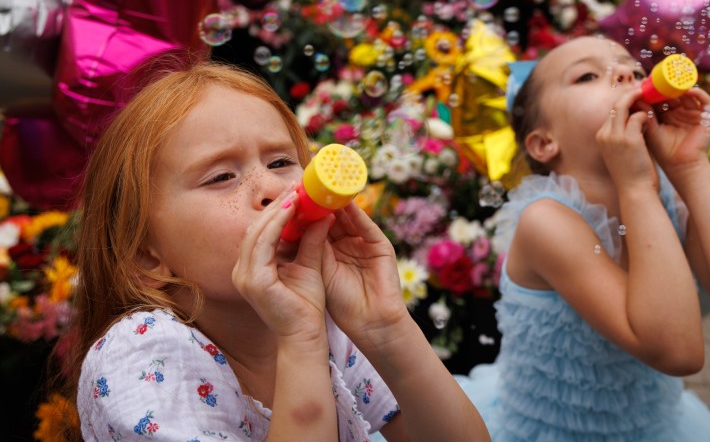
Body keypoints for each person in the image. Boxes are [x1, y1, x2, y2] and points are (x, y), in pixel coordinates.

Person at [63, 61, 490, 441]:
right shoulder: (142, 354)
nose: (272, 189)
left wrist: (385, 327)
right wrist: (301, 341)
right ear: (145, 256)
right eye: (222, 176)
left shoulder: (327, 320)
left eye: (281, 163)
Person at [459, 35, 710, 441]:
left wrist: (690, 166)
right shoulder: (547, 222)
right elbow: (679, 352)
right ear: (545, 143)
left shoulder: (665, 196)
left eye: (634, 70)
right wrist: (636, 187)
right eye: (587, 75)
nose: (626, 74)